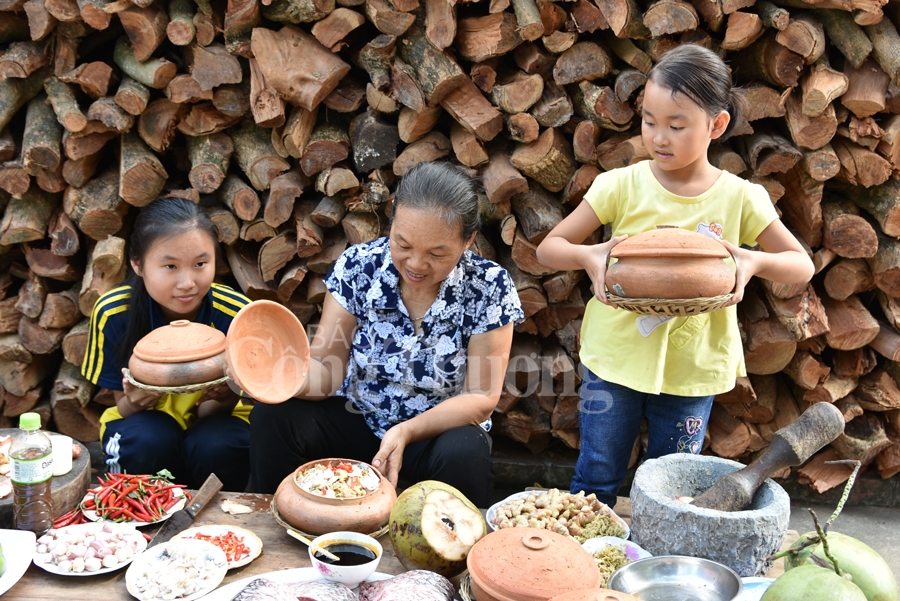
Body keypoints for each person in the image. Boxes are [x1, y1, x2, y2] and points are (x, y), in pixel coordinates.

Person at [535, 44, 815, 508]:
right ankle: (585, 547)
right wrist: (590, 256)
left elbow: (801, 264)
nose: (659, 137)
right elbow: (549, 249)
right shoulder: (621, 185)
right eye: (649, 121)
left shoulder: (741, 197)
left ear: (716, 125)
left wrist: (754, 262)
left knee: (672, 485)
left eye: (676, 125)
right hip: (615, 359)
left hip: (693, 370)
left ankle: (658, 551)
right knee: (598, 471)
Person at [250, 162, 524, 507]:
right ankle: (276, 518)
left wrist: (407, 431)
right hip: (359, 418)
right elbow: (326, 368)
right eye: (403, 244)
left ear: (467, 240)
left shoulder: (489, 286)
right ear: (391, 224)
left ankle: (456, 538)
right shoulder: (359, 266)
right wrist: (271, 378)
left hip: (435, 432)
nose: (416, 264)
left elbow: (481, 396)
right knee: (274, 416)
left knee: (465, 451)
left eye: (437, 253)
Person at [82, 197, 253, 491]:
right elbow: (122, 406)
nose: (187, 282)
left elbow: (234, 408)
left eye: (200, 264)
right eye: (170, 266)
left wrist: (225, 399)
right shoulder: (114, 313)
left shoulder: (238, 315)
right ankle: (141, 515)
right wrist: (134, 401)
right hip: (143, 426)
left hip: (218, 425)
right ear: (137, 264)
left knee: (218, 443)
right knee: (149, 438)